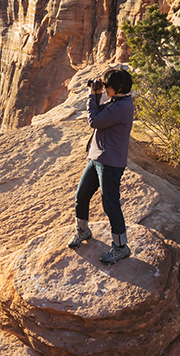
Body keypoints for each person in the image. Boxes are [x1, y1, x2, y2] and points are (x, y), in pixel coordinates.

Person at [67, 68, 135, 265]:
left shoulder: (122, 107)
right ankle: (82, 230)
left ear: (118, 88)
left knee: (110, 204)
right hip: (97, 158)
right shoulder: (117, 102)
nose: (104, 88)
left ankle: (121, 247)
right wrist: (97, 95)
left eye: (107, 86)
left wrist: (92, 96)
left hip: (111, 163)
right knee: (81, 195)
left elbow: (94, 121)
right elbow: (99, 114)